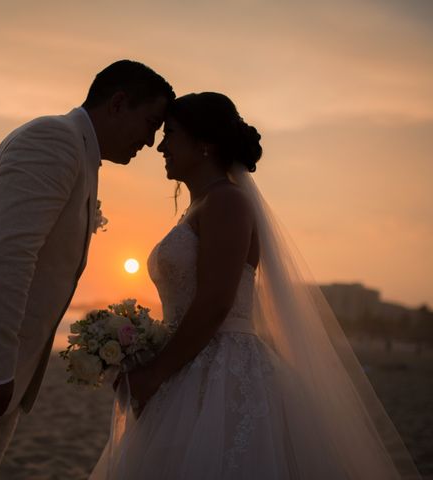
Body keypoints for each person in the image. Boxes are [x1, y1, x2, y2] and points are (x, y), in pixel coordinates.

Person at [91, 92, 421, 479]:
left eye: (171, 134)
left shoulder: (227, 203)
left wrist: (154, 372)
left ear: (204, 144)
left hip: (222, 368)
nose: (160, 146)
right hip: (188, 361)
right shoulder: (201, 206)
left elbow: (216, 302)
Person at [0, 60, 174, 479]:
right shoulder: (53, 141)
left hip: (1, 372)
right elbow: (8, 256)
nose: (150, 142)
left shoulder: (80, 154)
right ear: (117, 103)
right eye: (149, 124)